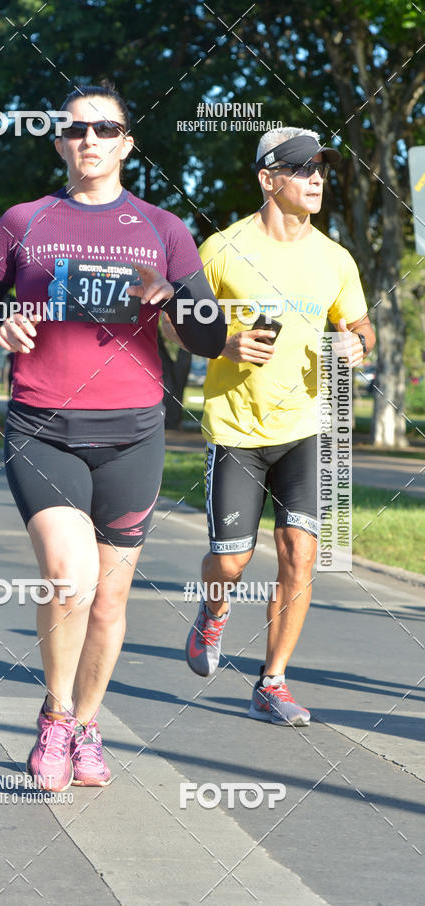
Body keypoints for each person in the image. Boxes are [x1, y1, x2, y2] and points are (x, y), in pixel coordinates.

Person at [0, 81, 226, 790]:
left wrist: (175, 298)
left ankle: (89, 724)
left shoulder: (163, 229)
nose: (91, 140)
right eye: (77, 130)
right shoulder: (24, 220)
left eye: (106, 129)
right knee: (68, 581)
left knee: (109, 599)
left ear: (127, 143)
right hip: (42, 424)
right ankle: (54, 717)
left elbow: (212, 335)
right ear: (60, 144)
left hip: (134, 434)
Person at [170, 126, 375, 726]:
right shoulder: (222, 249)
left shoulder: (335, 258)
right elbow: (178, 323)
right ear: (268, 179)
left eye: (321, 169)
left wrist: (356, 345)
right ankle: (213, 612)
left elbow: (361, 326)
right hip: (237, 429)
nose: (316, 179)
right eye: (302, 168)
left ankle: (272, 681)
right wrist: (224, 343)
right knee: (231, 562)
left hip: (308, 427)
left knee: (300, 555)